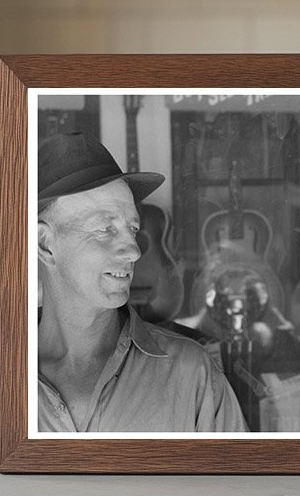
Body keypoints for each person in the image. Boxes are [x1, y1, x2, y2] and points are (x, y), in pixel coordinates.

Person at [36, 131, 247, 433]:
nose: (134, 251)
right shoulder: (2, 376)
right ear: (45, 244)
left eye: (132, 229)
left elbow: (239, 481)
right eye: (105, 229)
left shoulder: (191, 374)